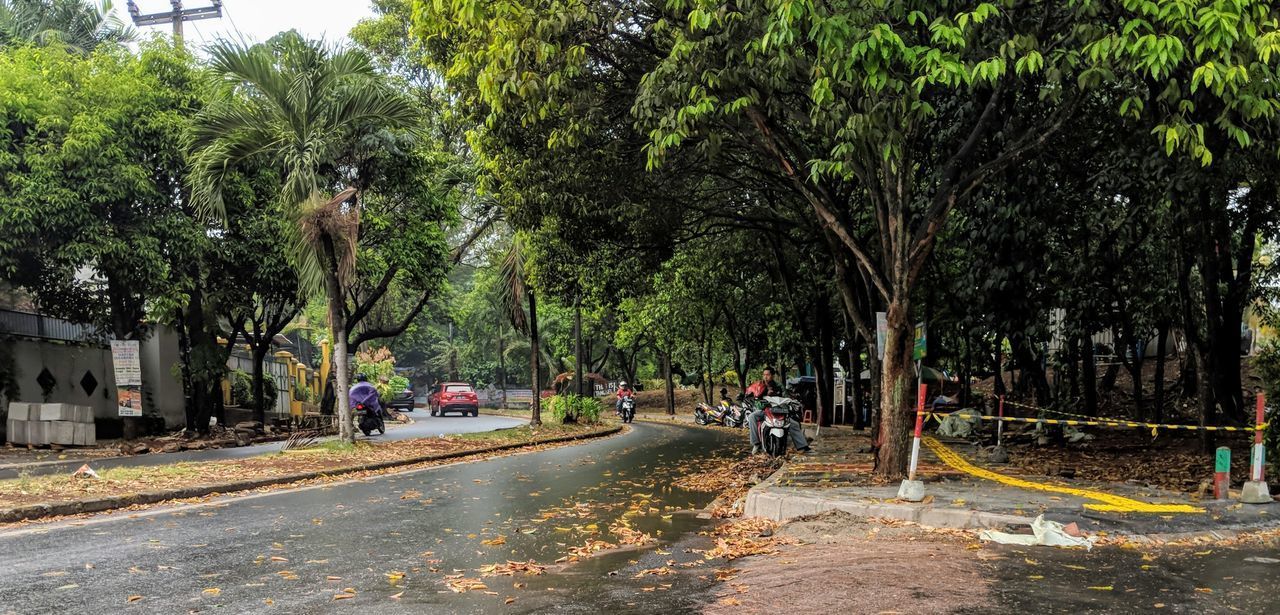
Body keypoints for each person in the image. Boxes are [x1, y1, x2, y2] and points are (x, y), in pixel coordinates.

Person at [745, 367, 810, 455]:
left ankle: (802, 446)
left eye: (767, 375)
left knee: (793, 423)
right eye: (764, 375)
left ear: (772, 375)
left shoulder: (779, 386)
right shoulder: (759, 386)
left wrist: (790, 401)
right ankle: (756, 444)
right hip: (765, 411)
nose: (765, 377)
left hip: (779, 411)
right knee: (752, 416)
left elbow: (786, 396)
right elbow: (756, 398)